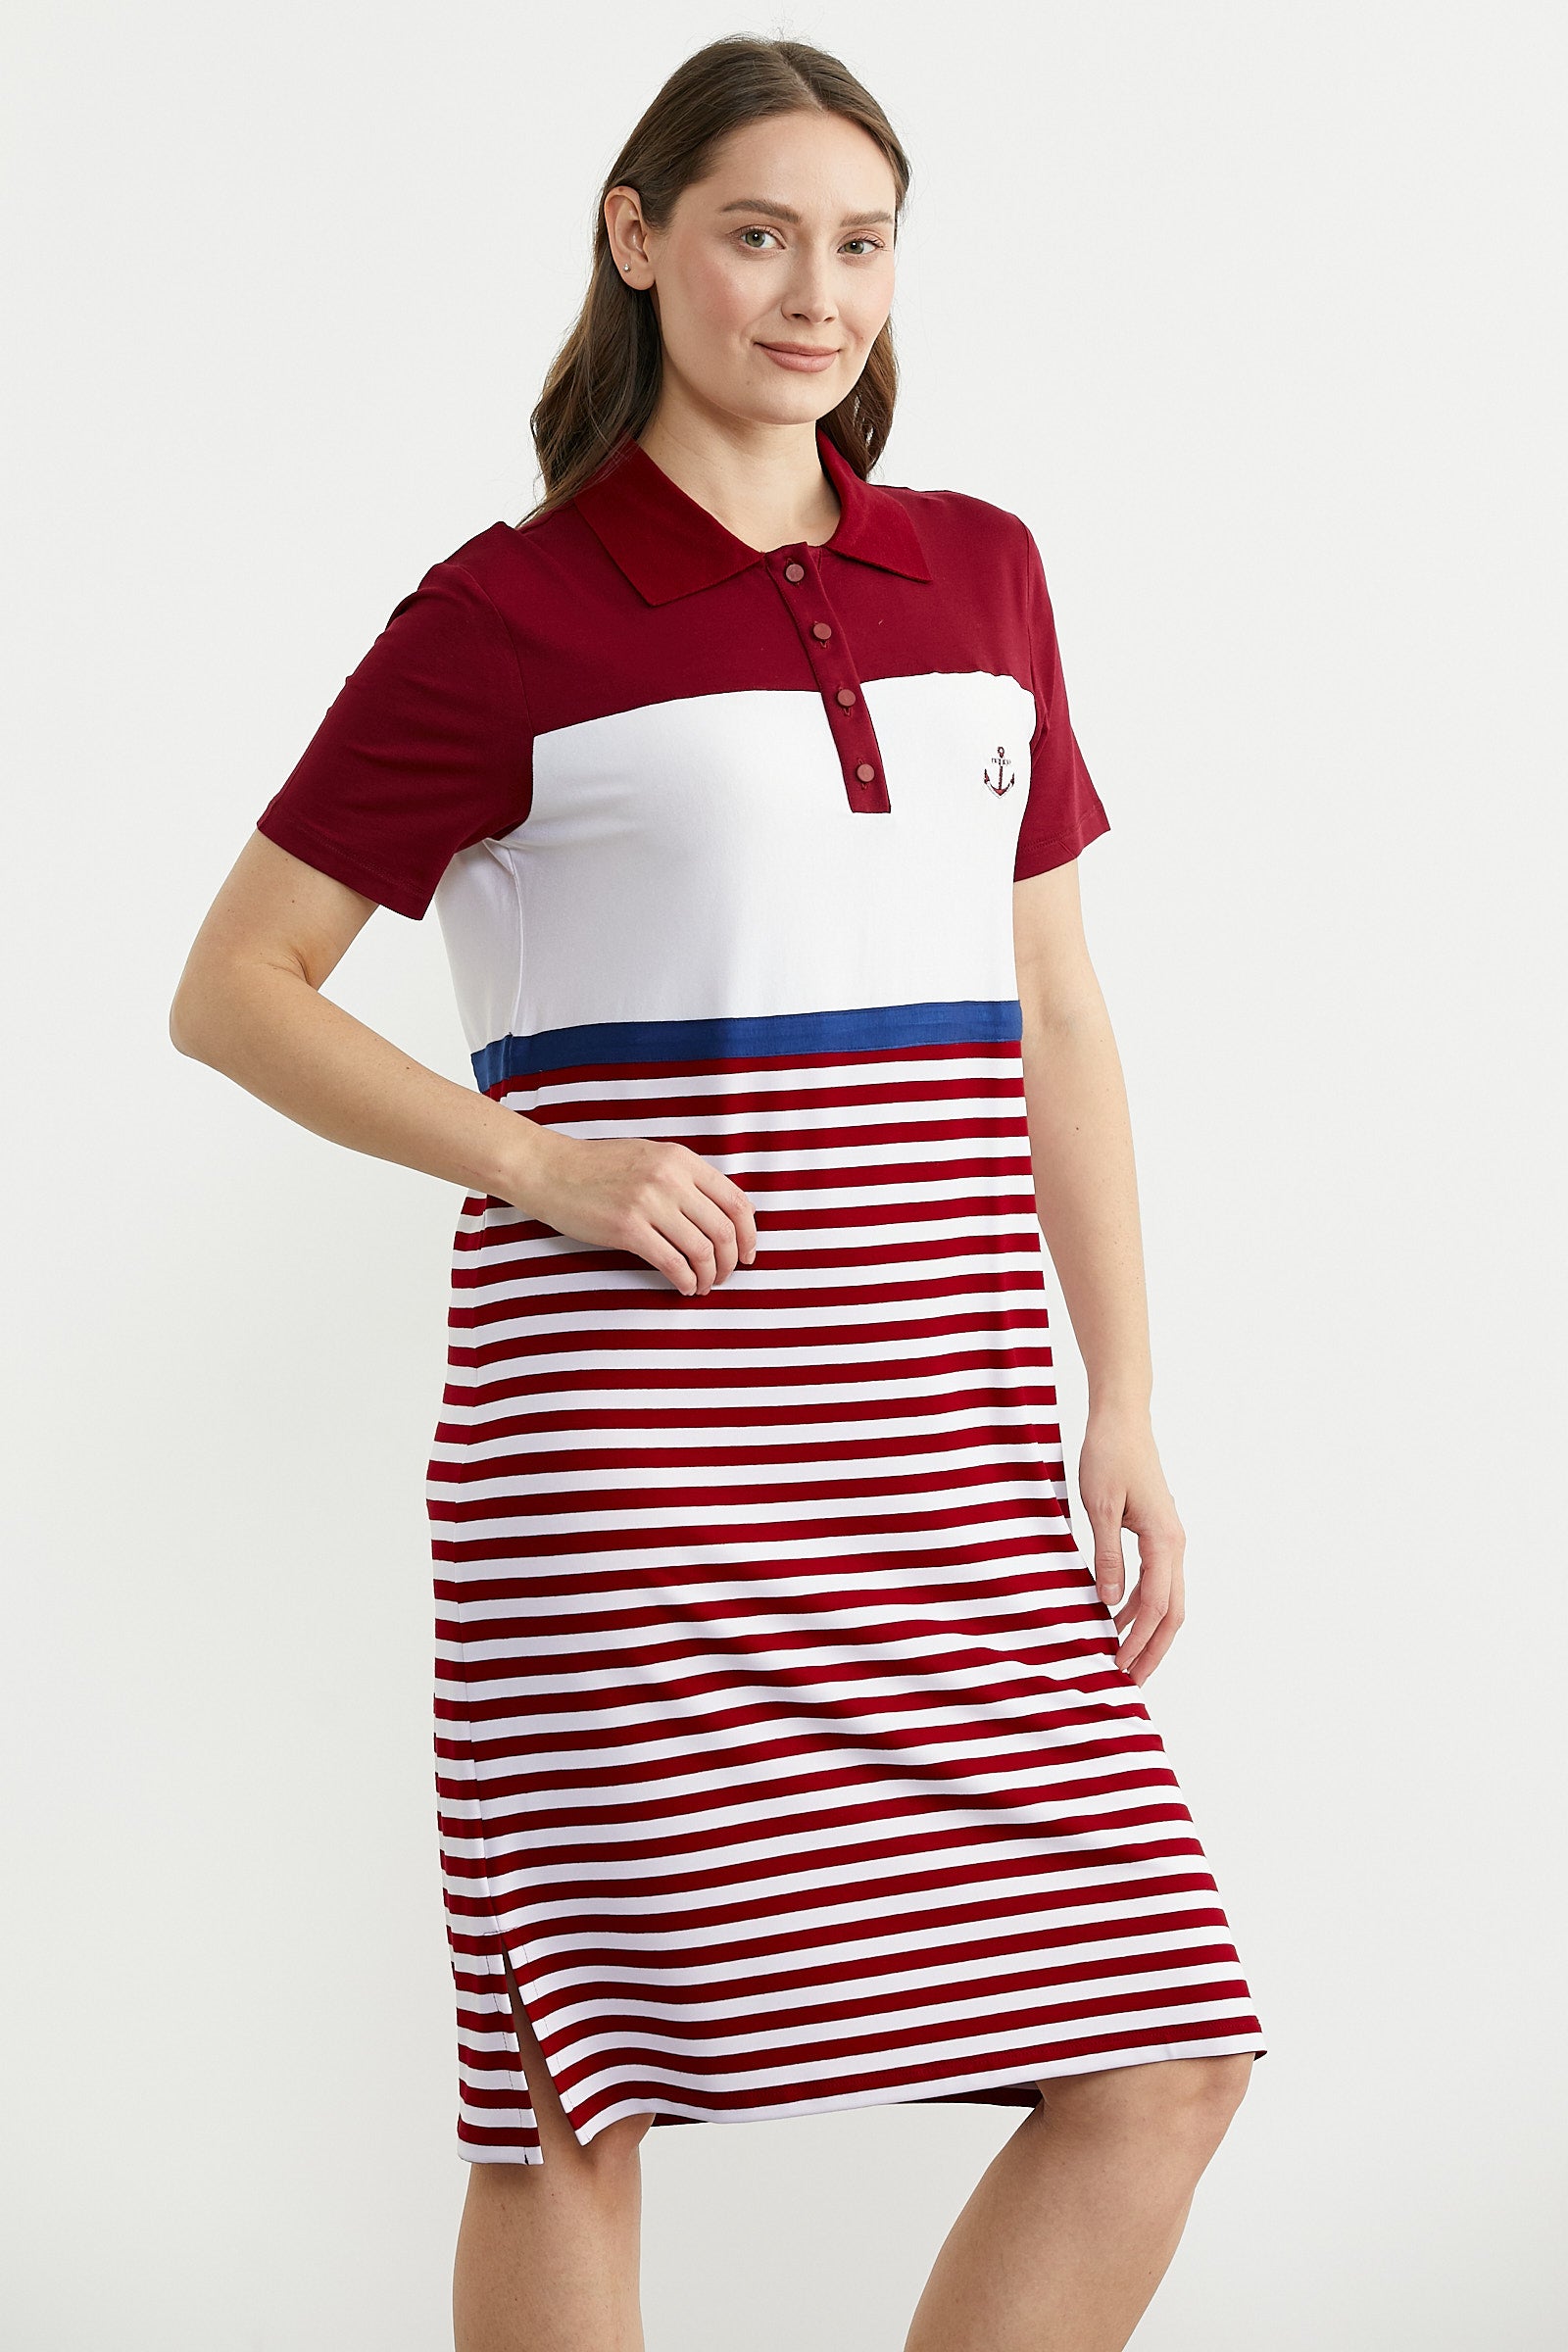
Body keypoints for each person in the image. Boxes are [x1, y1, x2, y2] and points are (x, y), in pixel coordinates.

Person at [170, 33, 1266, 2352]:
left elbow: (1056, 1010)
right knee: (576, 2089)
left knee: (1162, 2059)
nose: (813, 295)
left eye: (859, 244)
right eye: (758, 234)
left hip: (948, 1450)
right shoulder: (505, 615)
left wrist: (1124, 1401)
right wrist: (528, 1158)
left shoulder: (979, 571)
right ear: (638, 235)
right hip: (630, 1462)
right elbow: (234, 987)